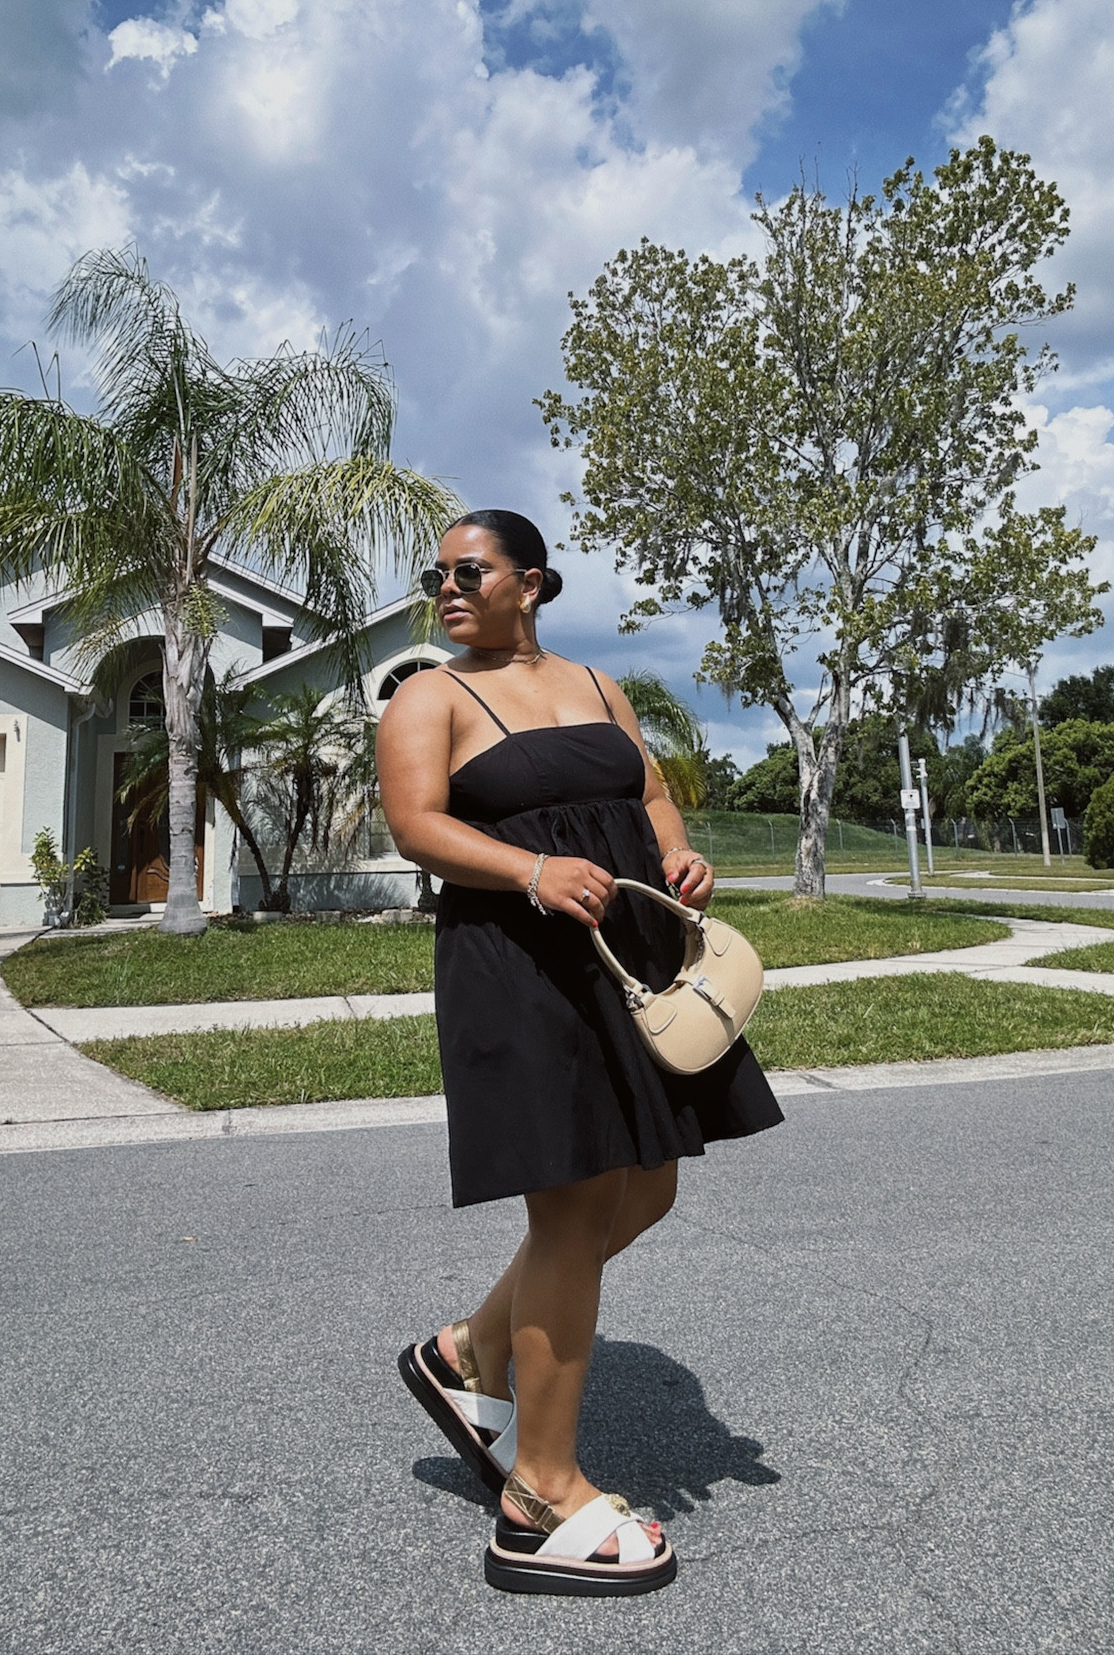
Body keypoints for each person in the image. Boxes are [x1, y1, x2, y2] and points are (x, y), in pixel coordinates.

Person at [376, 509, 782, 1596]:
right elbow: (414, 823)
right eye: (438, 574)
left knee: (644, 1188)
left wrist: (682, 848)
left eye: (471, 571)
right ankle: (540, 1491)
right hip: (520, 966)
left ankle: (468, 1347)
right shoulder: (431, 693)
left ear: (533, 582)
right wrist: (530, 870)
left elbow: (646, 791)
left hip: (626, 956)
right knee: (570, 1206)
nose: (448, 588)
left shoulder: (601, 686)